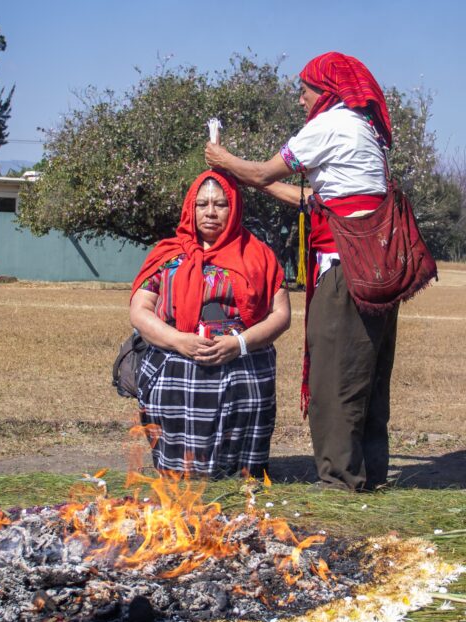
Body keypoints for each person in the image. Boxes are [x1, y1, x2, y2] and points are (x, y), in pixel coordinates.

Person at [205, 52, 396, 492]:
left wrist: (223, 158)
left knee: (336, 373)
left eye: (304, 89)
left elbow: (261, 169)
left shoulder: (329, 125)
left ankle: (340, 479)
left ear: (325, 91)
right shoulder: (364, 129)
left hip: (345, 268)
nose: (299, 98)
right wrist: (249, 177)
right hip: (376, 262)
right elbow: (315, 202)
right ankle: (369, 474)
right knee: (368, 371)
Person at [129, 170, 290, 478]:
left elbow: (281, 314)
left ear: (235, 208)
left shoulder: (258, 255)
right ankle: (179, 477)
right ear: (191, 207)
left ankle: (240, 481)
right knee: (180, 475)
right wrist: (179, 340)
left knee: (239, 473)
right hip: (177, 363)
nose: (211, 212)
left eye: (220, 204)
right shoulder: (167, 255)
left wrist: (239, 344)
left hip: (242, 364)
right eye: (202, 204)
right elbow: (140, 310)